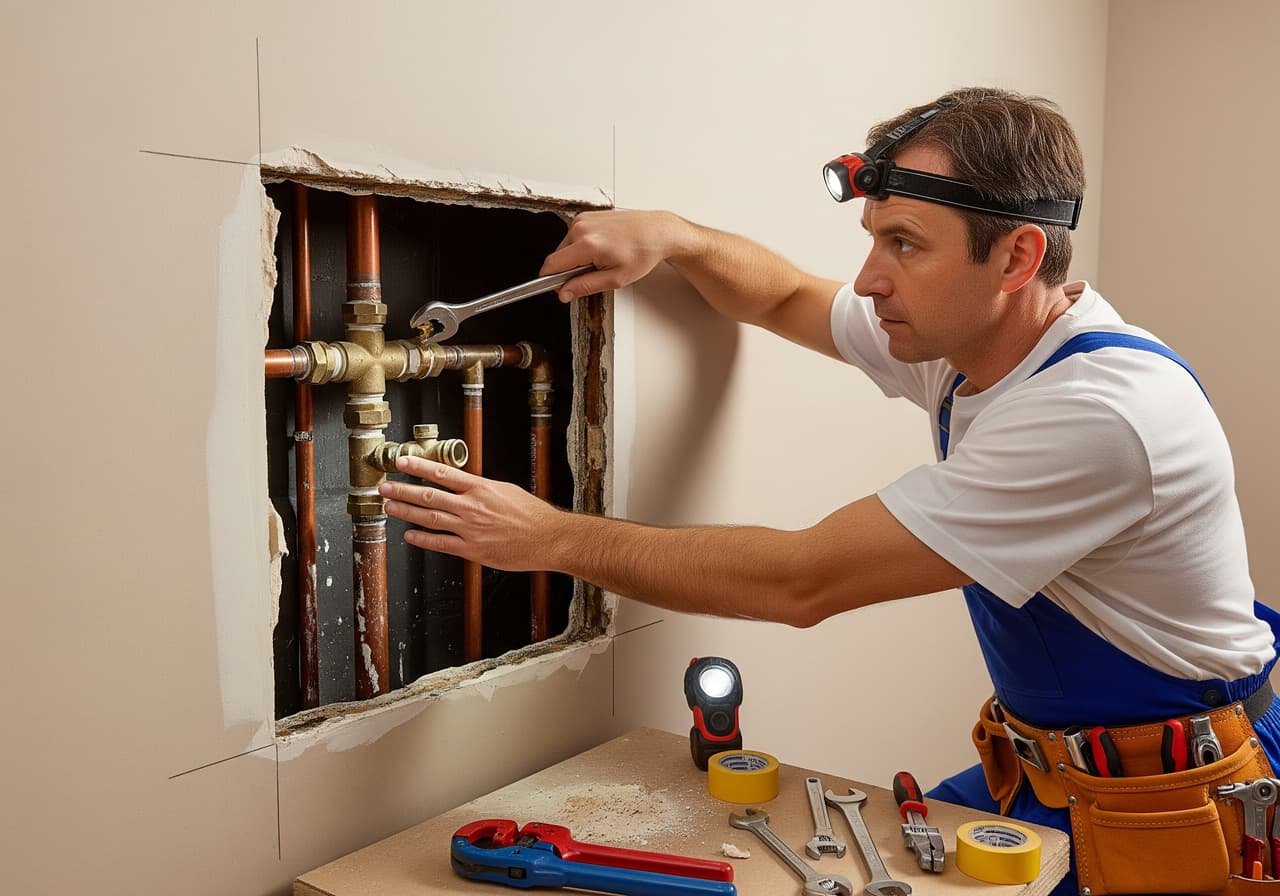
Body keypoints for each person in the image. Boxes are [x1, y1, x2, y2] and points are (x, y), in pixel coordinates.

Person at [381, 87, 1280, 894]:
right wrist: (675, 239)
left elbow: (800, 581)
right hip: (1051, 773)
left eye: (904, 246)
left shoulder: (1097, 417)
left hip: (1173, 803)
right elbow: (782, 299)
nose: (869, 280)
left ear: (1016, 258)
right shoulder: (981, 345)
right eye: (874, 239)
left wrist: (555, 538)